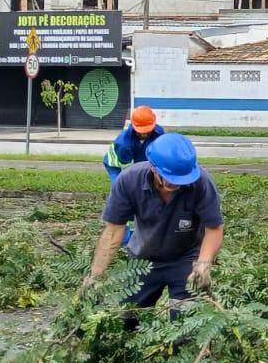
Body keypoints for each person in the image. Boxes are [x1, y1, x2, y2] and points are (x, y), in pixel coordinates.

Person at [86, 132, 223, 308]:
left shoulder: (201, 183)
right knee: (129, 317)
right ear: (153, 167)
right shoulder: (129, 181)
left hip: (185, 259)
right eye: (170, 179)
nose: (176, 184)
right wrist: (96, 275)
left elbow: (214, 228)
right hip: (143, 259)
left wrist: (204, 263)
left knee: (185, 321)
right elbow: (113, 231)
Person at [103, 106, 163, 246]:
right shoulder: (124, 143)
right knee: (125, 197)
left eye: (147, 130)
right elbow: (129, 176)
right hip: (118, 167)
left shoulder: (159, 134)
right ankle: (125, 240)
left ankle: (146, 230)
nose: (144, 134)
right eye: (141, 131)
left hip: (143, 164)